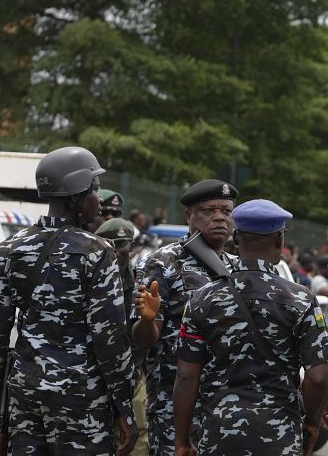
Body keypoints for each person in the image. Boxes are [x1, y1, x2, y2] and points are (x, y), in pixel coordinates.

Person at [0, 146, 136, 455]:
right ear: (75, 196)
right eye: (95, 188)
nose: (99, 198)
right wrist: (124, 406)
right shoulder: (97, 253)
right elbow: (111, 340)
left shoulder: (10, 249)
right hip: (81, 401)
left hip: (25, 397)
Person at [173, 199, 328, 455]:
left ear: (235, 238)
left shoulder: (202, 298)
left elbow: (185, 376)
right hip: (279, 436)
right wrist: (312, 422)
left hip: (219, 433)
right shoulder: (301, 299)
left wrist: (181, 441)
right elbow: (318, 377)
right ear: (279, 241)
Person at [130, 179, 238, 455]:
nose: (218, 218)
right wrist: (145, 320)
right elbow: (144, 340)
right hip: (175, 405)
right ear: (189, 215)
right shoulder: (162, 263)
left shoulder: (237, 268)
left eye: (226, 211)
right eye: (207, 211)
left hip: (228, 405)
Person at [96, 217, 150, 455]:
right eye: (111, 245)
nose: (117, 252)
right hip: (92, 378)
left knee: (137, 440)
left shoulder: (141, 285)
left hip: (131, 375)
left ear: (132, 248)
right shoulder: (88, 280)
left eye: (122, 245)